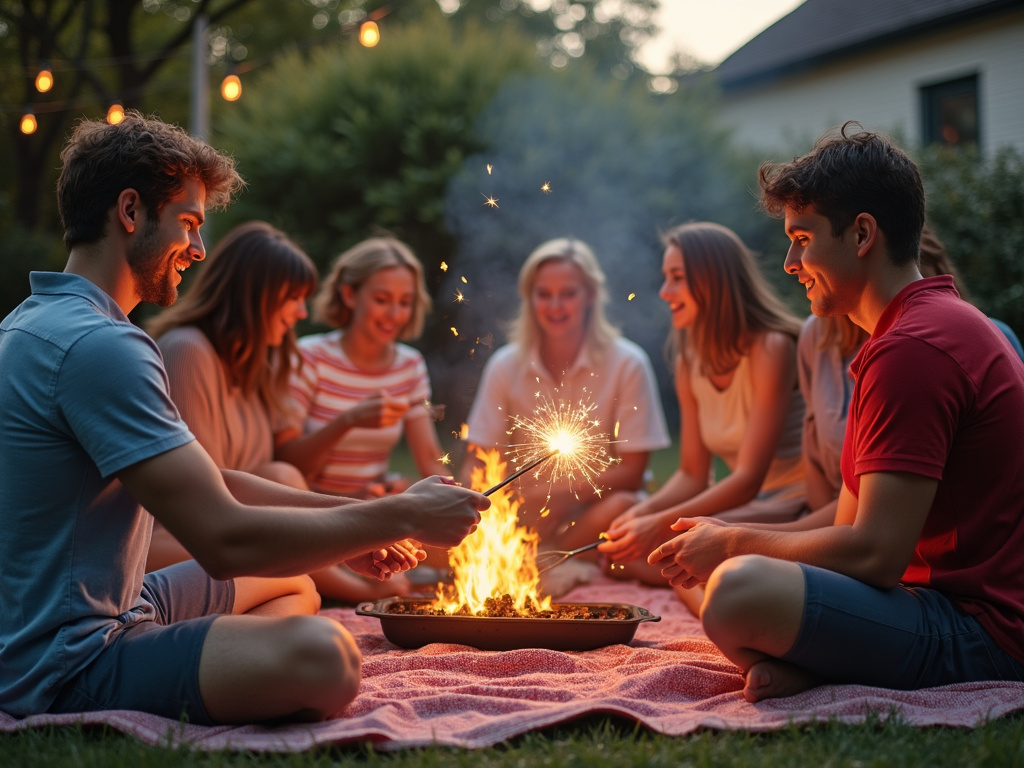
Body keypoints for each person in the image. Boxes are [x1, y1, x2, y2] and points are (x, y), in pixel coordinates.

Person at [0, 111, 487, 724]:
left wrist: (364, 525)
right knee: (327, 658)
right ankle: (232, 667)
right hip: (66, 658)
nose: (198, 248)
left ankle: (225, 662)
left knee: (297, 586)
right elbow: (225, 539)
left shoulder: (36, 322)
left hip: (124, 603)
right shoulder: (101, 347)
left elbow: (215, 479)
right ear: (130, 211)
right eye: (189, 223)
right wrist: (404, 513)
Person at [647, 123, 1024, 703]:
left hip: (983, 632)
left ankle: (819, 668)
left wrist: (733, 546)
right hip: (936, 606)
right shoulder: (912, 331)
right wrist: (725, 534)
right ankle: (816, 668)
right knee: (735, 577)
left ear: (862, 235)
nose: (791, 261)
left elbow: (873, 554)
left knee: (735, 590)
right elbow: (843, 526)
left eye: (802, 237)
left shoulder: (914, 349)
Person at [146, 222, 409, 602]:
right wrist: (353, 534)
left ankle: (337, 581)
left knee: (282, 482)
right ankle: (351, 588)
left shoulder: (260, 364)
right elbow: (205, 499)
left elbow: (280, 481)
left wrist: (356, 503)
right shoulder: (187, 350)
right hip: (182, 538)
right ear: (254, 295)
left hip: (236, 527)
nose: (302, 312)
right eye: (293, 298)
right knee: (300, 589)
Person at [600, 222, 806, 601]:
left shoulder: (770, 349)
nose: (665, 292)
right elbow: (692, 473)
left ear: (715, 281)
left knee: (681, 548)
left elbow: (748, 478)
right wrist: (644, 514)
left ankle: (720, 597)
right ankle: (709, 588)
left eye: (677, 278)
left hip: (798, 507)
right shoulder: (689, 362)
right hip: (755, 505)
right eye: (666, 278)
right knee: (629, 548)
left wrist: (659, 523)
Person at [464, 237, 670, 561]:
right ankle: (549, 558)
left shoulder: (628, 363)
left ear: (590, 295)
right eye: (544, 294)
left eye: (568, 294)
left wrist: (555, 497)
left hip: (596, 511)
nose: (555, 306)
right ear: (529, 298)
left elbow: (632, 472)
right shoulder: (505, 365)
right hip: (520, 510)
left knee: (626, 507)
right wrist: (484, 505)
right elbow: (479, 458)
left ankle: (547, 558)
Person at [276, 237, 449, 500]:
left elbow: (429, 460)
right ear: (349, 294)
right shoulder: (309, 357)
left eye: (405, 302)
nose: (394, 314)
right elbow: (285, 463)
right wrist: (349, 420)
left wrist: (455, 494)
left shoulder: (409, 366)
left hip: (372, 511)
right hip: (308, 511)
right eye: (382, 299)